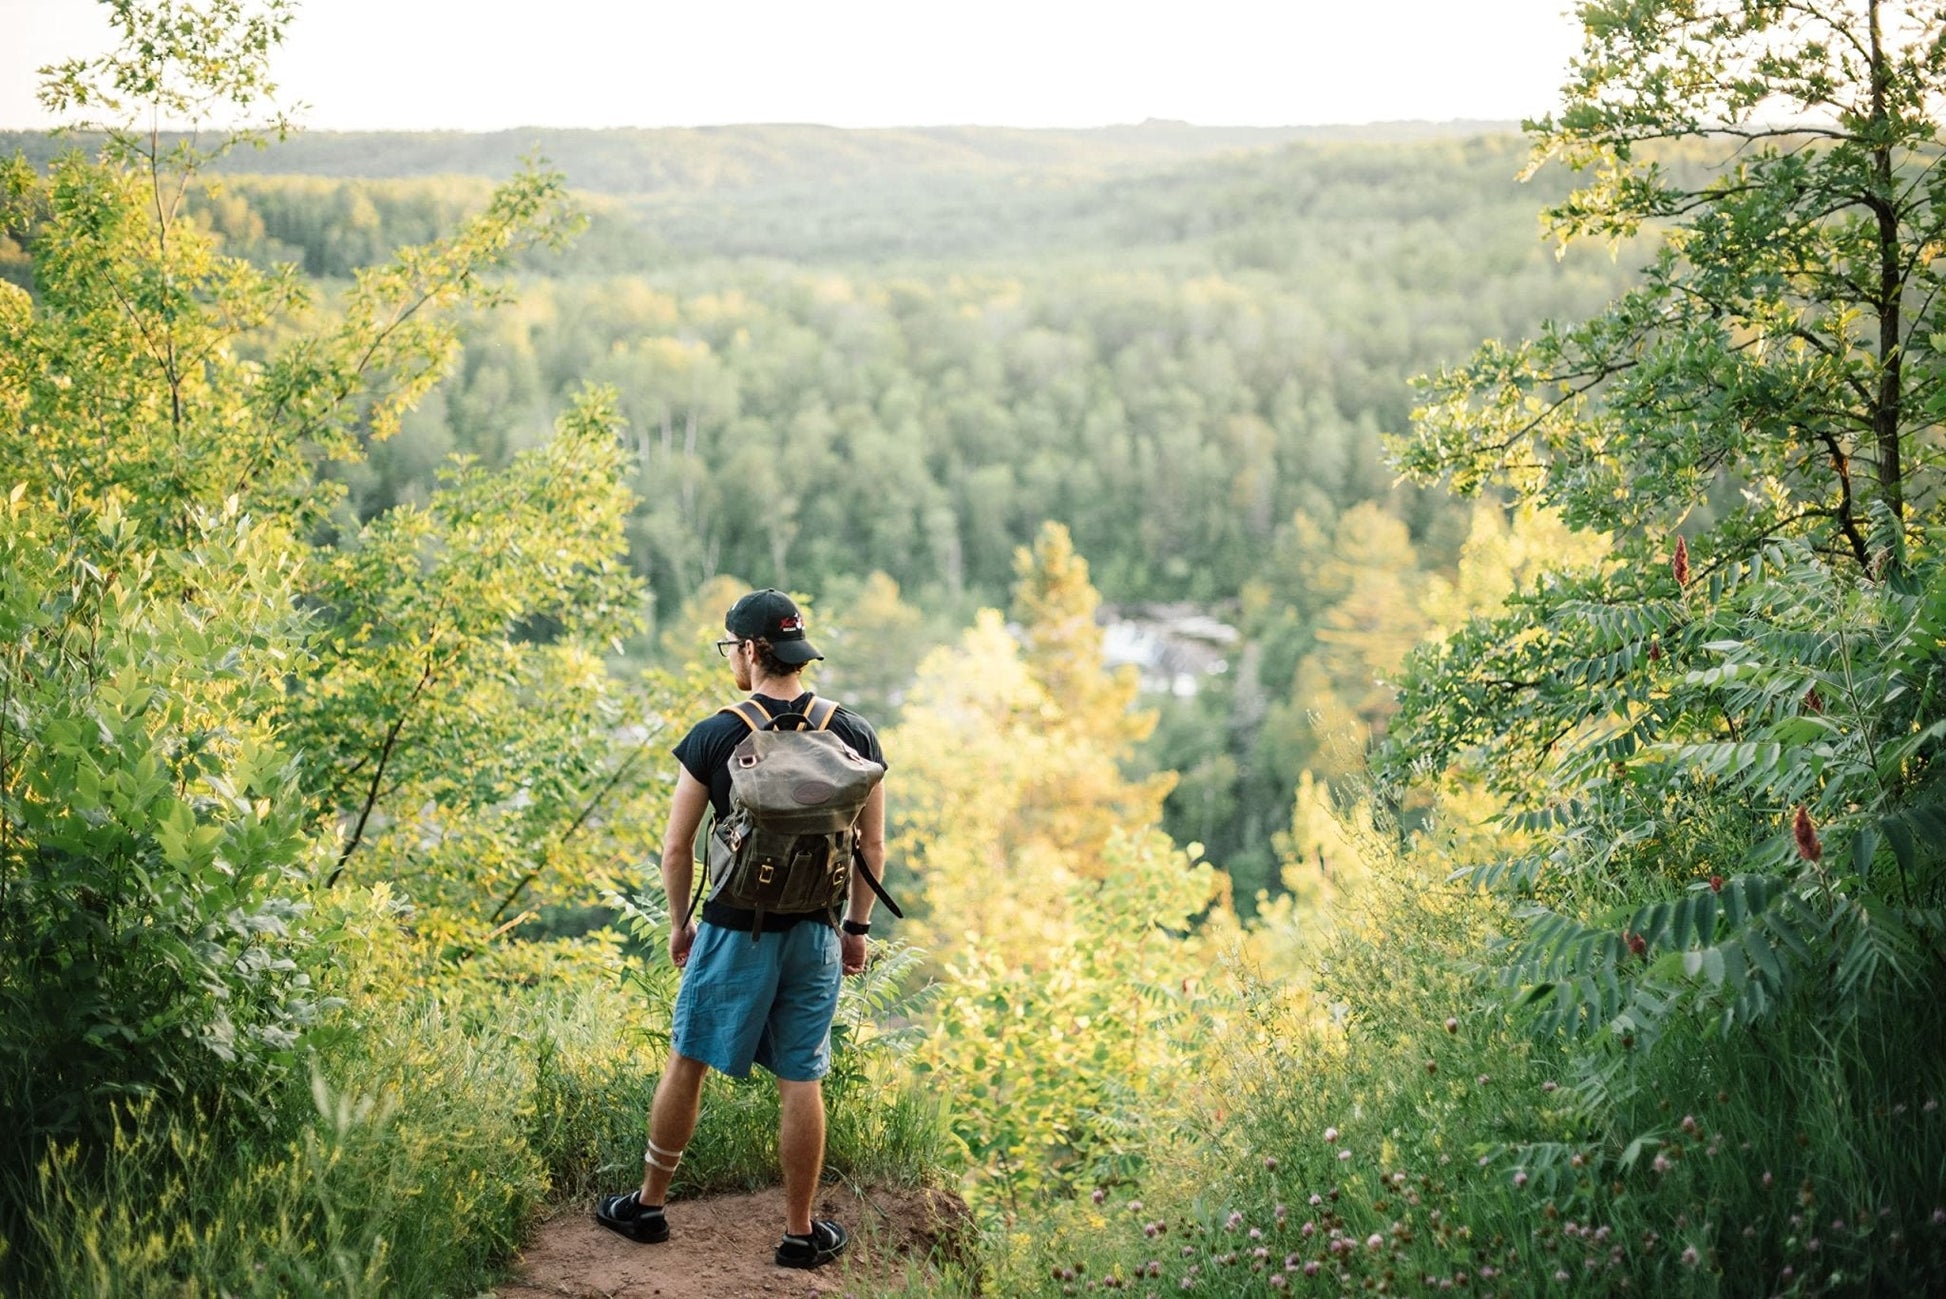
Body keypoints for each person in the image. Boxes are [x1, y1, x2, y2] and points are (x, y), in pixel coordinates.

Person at [596, 588, 887, 1271]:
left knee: (688, 1057)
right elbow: (872, 849)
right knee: (800, 1075)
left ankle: (648, 1206)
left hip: (733, 928)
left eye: (733, 646)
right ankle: (799, 1232)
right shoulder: (855, 732)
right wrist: (855, 929)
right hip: (816, 930)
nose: (733, 656)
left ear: (753, 650)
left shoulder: (716, 733)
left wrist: (678, 925)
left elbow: (676, 849)